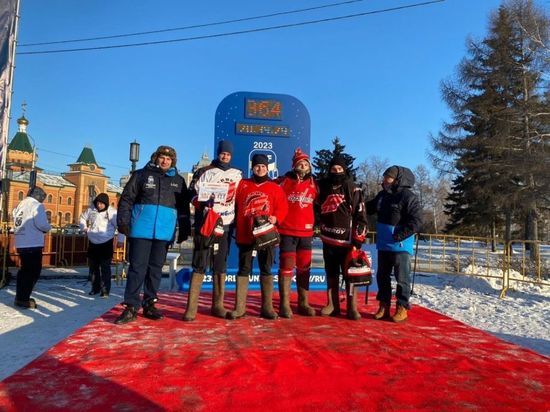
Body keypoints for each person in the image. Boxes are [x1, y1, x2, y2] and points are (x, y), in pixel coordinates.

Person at [115, 145, 191, 325]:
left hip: (164, 232)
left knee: (156, 269)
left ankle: (149, 303)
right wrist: (123, 222)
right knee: (137, 268)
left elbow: (183, 209)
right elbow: (126, 199)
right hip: (141, 230)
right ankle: (131, 306)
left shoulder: (179, 181)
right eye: (162, 157)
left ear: (173, 161)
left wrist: (185, 229)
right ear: (156, 158)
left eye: (168, 158)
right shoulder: (141, 175)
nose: (165, 161)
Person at [183, 140, 243, 321]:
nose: (225, 156)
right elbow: (191, 195)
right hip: (206, 224)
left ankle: (218, 304)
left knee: (220, 265)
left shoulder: (237, 174)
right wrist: (201, 201)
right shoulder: (204, 171)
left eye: (228, 154)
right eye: (222, 153)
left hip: (226, 224)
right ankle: (191, 307)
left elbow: (240, 198)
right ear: (218, 154)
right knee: (200, 262)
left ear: (231, 156)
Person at [228, 153, 288, 320]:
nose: (260, 169)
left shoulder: (275, 187)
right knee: (244, 269)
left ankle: (267, 307)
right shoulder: (243, 185)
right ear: (252, 167)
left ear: (267, 168)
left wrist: (276, 218)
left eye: (263, 166)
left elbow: (283, 208)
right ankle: (240, 308)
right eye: (257, 166)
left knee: (266, 269)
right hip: (245, 234)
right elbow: (232, 203)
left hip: (266, 235)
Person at [366, 165, 422, 322]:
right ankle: (384, 306)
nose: (384, 180)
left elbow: (417, 221)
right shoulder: (382, 196)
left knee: (401, 278)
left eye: (388, 178)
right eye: (384, 177)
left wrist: (399, 235)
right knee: (382, 276)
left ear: (397, 180)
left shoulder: (408, 196)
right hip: (383, 244)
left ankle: (402, 307)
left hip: (401, 245)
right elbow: (368, 208)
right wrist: (357, 201)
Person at [318, 155, 367, 320]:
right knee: (331, 273)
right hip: (328, 238)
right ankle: (333, 304)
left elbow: (361, 216)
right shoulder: (323, 186)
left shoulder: (352, 187)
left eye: (339, 169)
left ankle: (352, 307)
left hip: (347, 241)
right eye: (333, 169)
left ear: (344, 170)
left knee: (350, 274)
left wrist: (358, 240)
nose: (336, 172)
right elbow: (316, 207)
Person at [276, 148, 318, 318]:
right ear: (294, 165)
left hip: (306, 232)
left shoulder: (315, 183)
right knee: (286, 266)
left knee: (304, 267)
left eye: (306, 163)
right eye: (300, 163)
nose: (303, 165)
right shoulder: (284, 181)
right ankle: (284, 304)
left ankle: (303, 303)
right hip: (287, 230)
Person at [12, 186, 52, 309]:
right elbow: (41, 224)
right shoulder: (37, 206)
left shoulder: (21, 205)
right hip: (33, 243)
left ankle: (20, 296)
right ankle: (23, 298)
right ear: (38, 196)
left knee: (24, 270)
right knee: (33, 271)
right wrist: (48, 227)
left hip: (21, 242)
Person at [79, 193, 124, 298]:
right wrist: (84, 228)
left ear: (106, 204)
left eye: (101, 204)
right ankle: (95, 288)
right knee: (93, 268)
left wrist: (121, 241)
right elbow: (82, 218)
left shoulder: (112, 212)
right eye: (98, 203)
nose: (99, 205)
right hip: (93, 242)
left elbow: (120, 227)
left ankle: (105, 290)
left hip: (106, 242)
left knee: (105, 268)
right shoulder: (91, 210)